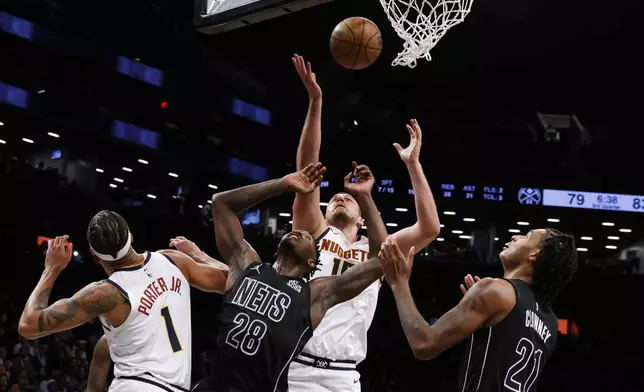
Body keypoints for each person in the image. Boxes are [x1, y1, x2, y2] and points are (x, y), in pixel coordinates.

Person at [288, 54, 441, 391]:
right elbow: (305, 171)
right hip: (294, 369)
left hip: (344, 376)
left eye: (349, 199)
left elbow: (430, 228)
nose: (340, 197)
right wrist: (316, 101)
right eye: (334, 198)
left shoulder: (379, 251)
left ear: (362, 221)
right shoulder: (313, 232)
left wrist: (413, 163)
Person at [193, 162, 388, 392]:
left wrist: (365, 196)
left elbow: (378, 261)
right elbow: (221, 203)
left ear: (312, 263)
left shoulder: (312, 294)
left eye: (308, 237)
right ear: (277, 252)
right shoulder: (251, 268)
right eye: (297, 231)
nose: (301, 232)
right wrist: (284, 183)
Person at [19, 210, 229, 392]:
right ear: (132, 237)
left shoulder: (106, 293)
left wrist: (51, 269)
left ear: (95, 255)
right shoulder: (173, 260)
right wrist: (199, 254)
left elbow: (28, 325)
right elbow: (236, 281)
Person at [378, 229, 578, 392]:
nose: (515, 237)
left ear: (535, 255)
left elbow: (424, 344)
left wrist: (399, 282)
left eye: (526, 236)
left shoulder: (496, 291)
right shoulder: (550, 322)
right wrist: (481, 314)